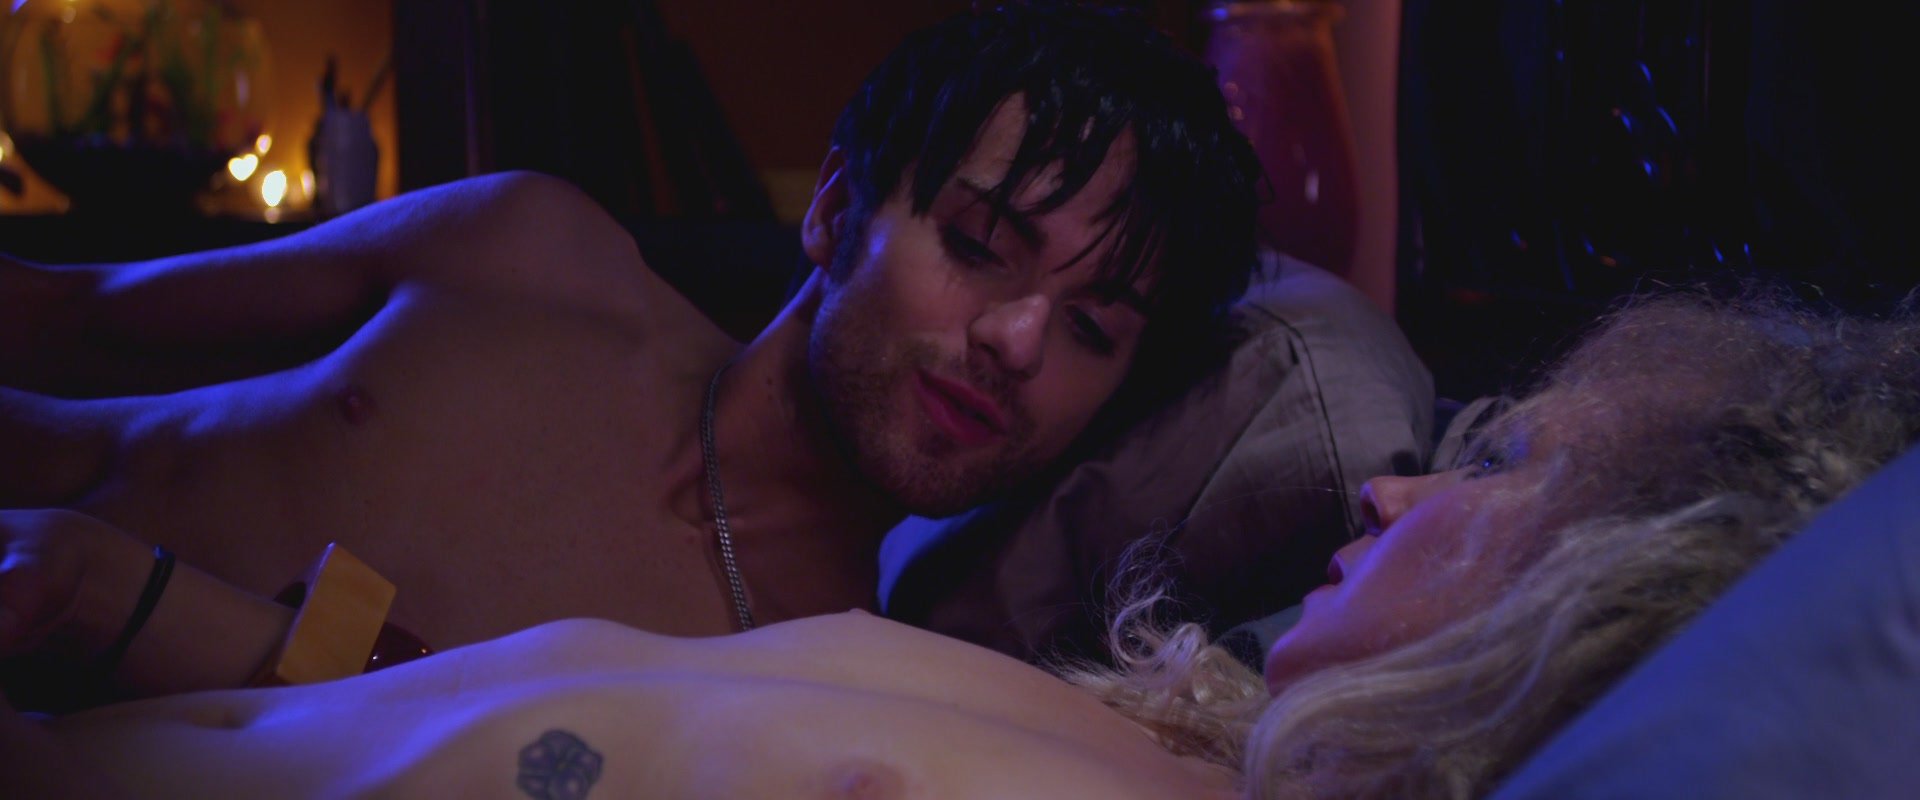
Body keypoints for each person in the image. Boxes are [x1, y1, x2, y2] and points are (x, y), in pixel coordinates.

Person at [3, 289, 1914, 798]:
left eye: (1500, 472)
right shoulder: (1173, 727)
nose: (1392, 492)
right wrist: (137, 604)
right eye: (982, 240)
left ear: (1592, 604)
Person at [0, 5, 1262, 660]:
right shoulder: (528, 258)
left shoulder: (796, 680)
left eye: (1093, 329)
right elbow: (64, 316)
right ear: (835, 209)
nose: (1022, 342)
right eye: (980, 244)